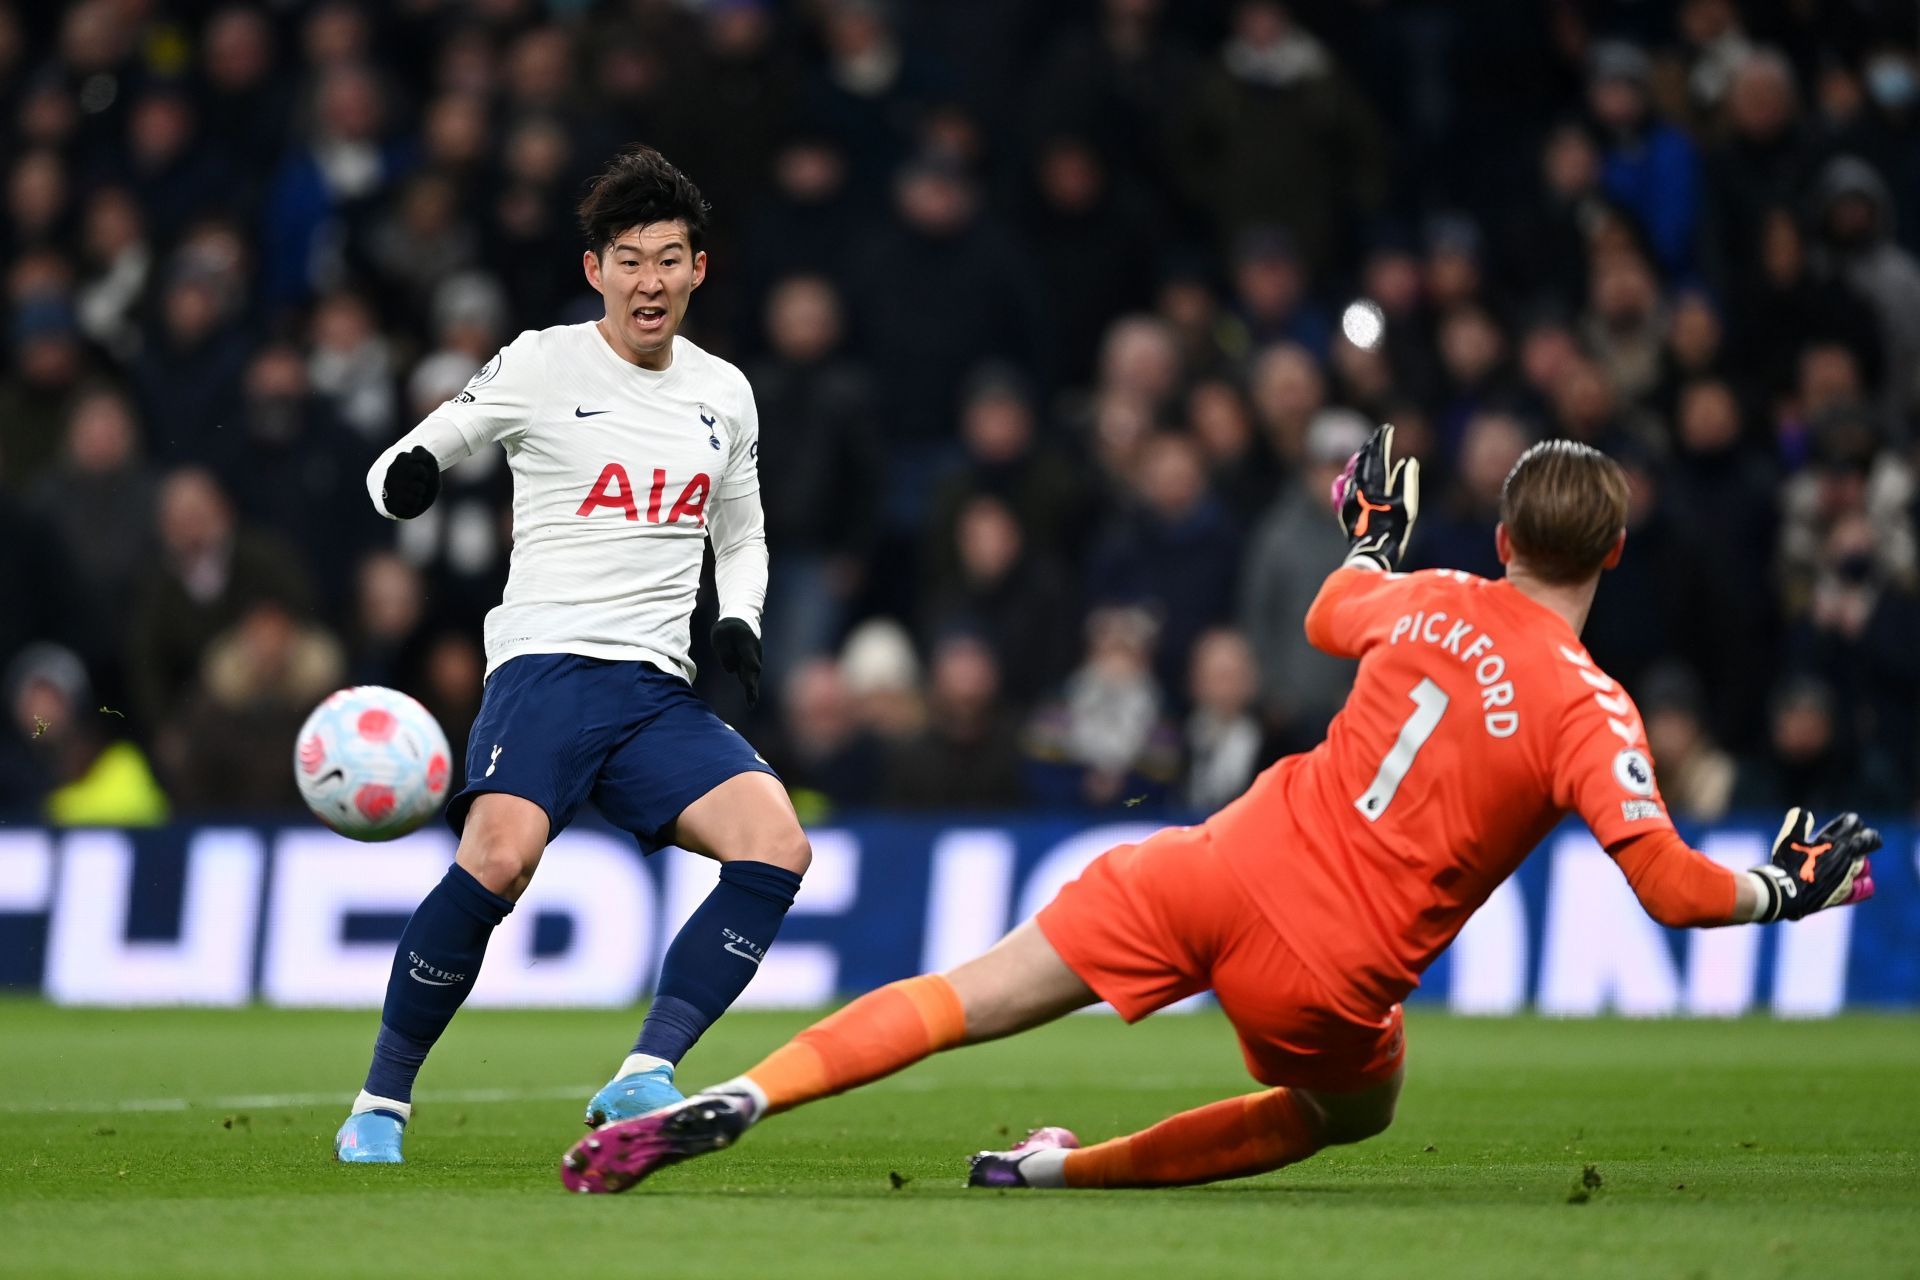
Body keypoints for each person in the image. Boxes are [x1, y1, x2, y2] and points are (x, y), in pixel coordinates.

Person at [557, 430, 1879, 1195]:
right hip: (1327, 978)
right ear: (1614, 557)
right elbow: (1667, 887)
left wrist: (1370, 535)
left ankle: (744, 1090)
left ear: (1502, 532)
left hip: (1216, 862)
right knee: (1340, 1117)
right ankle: (1055, 1175)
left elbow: (1324, 612)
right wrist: (1786, 888)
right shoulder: (1593, 710)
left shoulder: (1424, 600)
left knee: (960, 995)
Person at [334, 145, 809, 1165]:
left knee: (778, 843)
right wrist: (409, 476)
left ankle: (647, 1067)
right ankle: (380, 1099)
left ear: (698, 270)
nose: (650, 280)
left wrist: (743, 617)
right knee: (498, 860)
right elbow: (410, 453)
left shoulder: (724, 392)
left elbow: (742, 531)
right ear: (595, 268)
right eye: (630, 258)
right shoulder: (543, 362)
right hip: (547, 666)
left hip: (654, 692)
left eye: (669, 258)